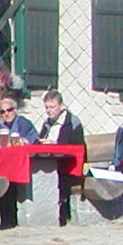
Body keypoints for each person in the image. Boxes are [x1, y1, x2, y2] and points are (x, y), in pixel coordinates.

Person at [37, 90, 86, 225]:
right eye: (46, 107)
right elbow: (39, 140)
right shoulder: (48, 123)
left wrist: (56, 144)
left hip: (68, 164)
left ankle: (61, 215)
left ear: (61, 106)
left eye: (52, 107)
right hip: (49, 160)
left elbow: (76, 147)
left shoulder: (72, 122)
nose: (48, 111)